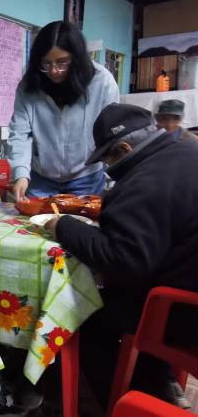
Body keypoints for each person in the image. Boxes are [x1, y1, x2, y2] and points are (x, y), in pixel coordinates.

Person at [44, 103, 198, 410]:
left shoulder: (144, 183)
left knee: (87, 316)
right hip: (187, 287)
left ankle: (122, 403)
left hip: (182, 311)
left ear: (125, 147)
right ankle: (160, 379)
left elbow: (123, 261)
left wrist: (63, 225)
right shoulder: (186, 154)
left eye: (108, 158)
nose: (106, 167)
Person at [8, 21, 119, 201]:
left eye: (62, 62)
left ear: (77, 58)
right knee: (35, 226)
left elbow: (112, 134)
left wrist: (113, 177)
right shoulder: (29, 86)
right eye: (46, 63)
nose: (54, 71)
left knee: (81, 227)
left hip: (87, 178)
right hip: (41, 179)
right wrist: (21, 174)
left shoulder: (102, 82)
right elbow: (20, 134)